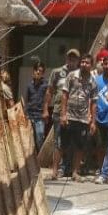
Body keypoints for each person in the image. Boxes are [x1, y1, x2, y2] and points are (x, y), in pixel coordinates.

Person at [58, 54, 97, 181]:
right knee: (62, 144)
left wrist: (93, 122)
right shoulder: (71, 76)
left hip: (83, 118)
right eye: (83, 62)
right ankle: (55, 171)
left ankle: (75, 172)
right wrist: (63, 114)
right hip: (69, 116)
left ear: (92, 65)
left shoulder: (93, 81)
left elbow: (94, 102)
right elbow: (64, 95)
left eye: (87, 63)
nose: (84, 64)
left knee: (80, 147)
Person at [44, 48, 80, 178]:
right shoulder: (57, 72)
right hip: (59, 112)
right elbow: (49, 91)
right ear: (66, 58)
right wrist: (45, 109)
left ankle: (68, 168)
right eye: (70, 57)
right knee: (58, 142)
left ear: (78, 60)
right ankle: (56, 169)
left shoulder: (80, 74)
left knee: (72, 142)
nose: (72, 59)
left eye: (74, 58)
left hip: (75, 113)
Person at [88, 56, 108, 174]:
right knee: (100, 146)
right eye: (105, 64)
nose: (107, 66)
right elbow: (91, 99)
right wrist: (91, 116)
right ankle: (101, 169)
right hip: (99, 118)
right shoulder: (96, 80)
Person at [23, 62, 48, 150]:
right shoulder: (29, 85)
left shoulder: (45, 85)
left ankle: (40, 159)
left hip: (40, 116)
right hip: (30, 115)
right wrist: (25, 113)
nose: (38, 72)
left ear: (43, 73)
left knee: (40, 136)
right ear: (33, 71)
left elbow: (47, 100)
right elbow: (27, 100)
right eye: (36, 70)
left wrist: (46, 112)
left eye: (40, 71)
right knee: (29, 138)